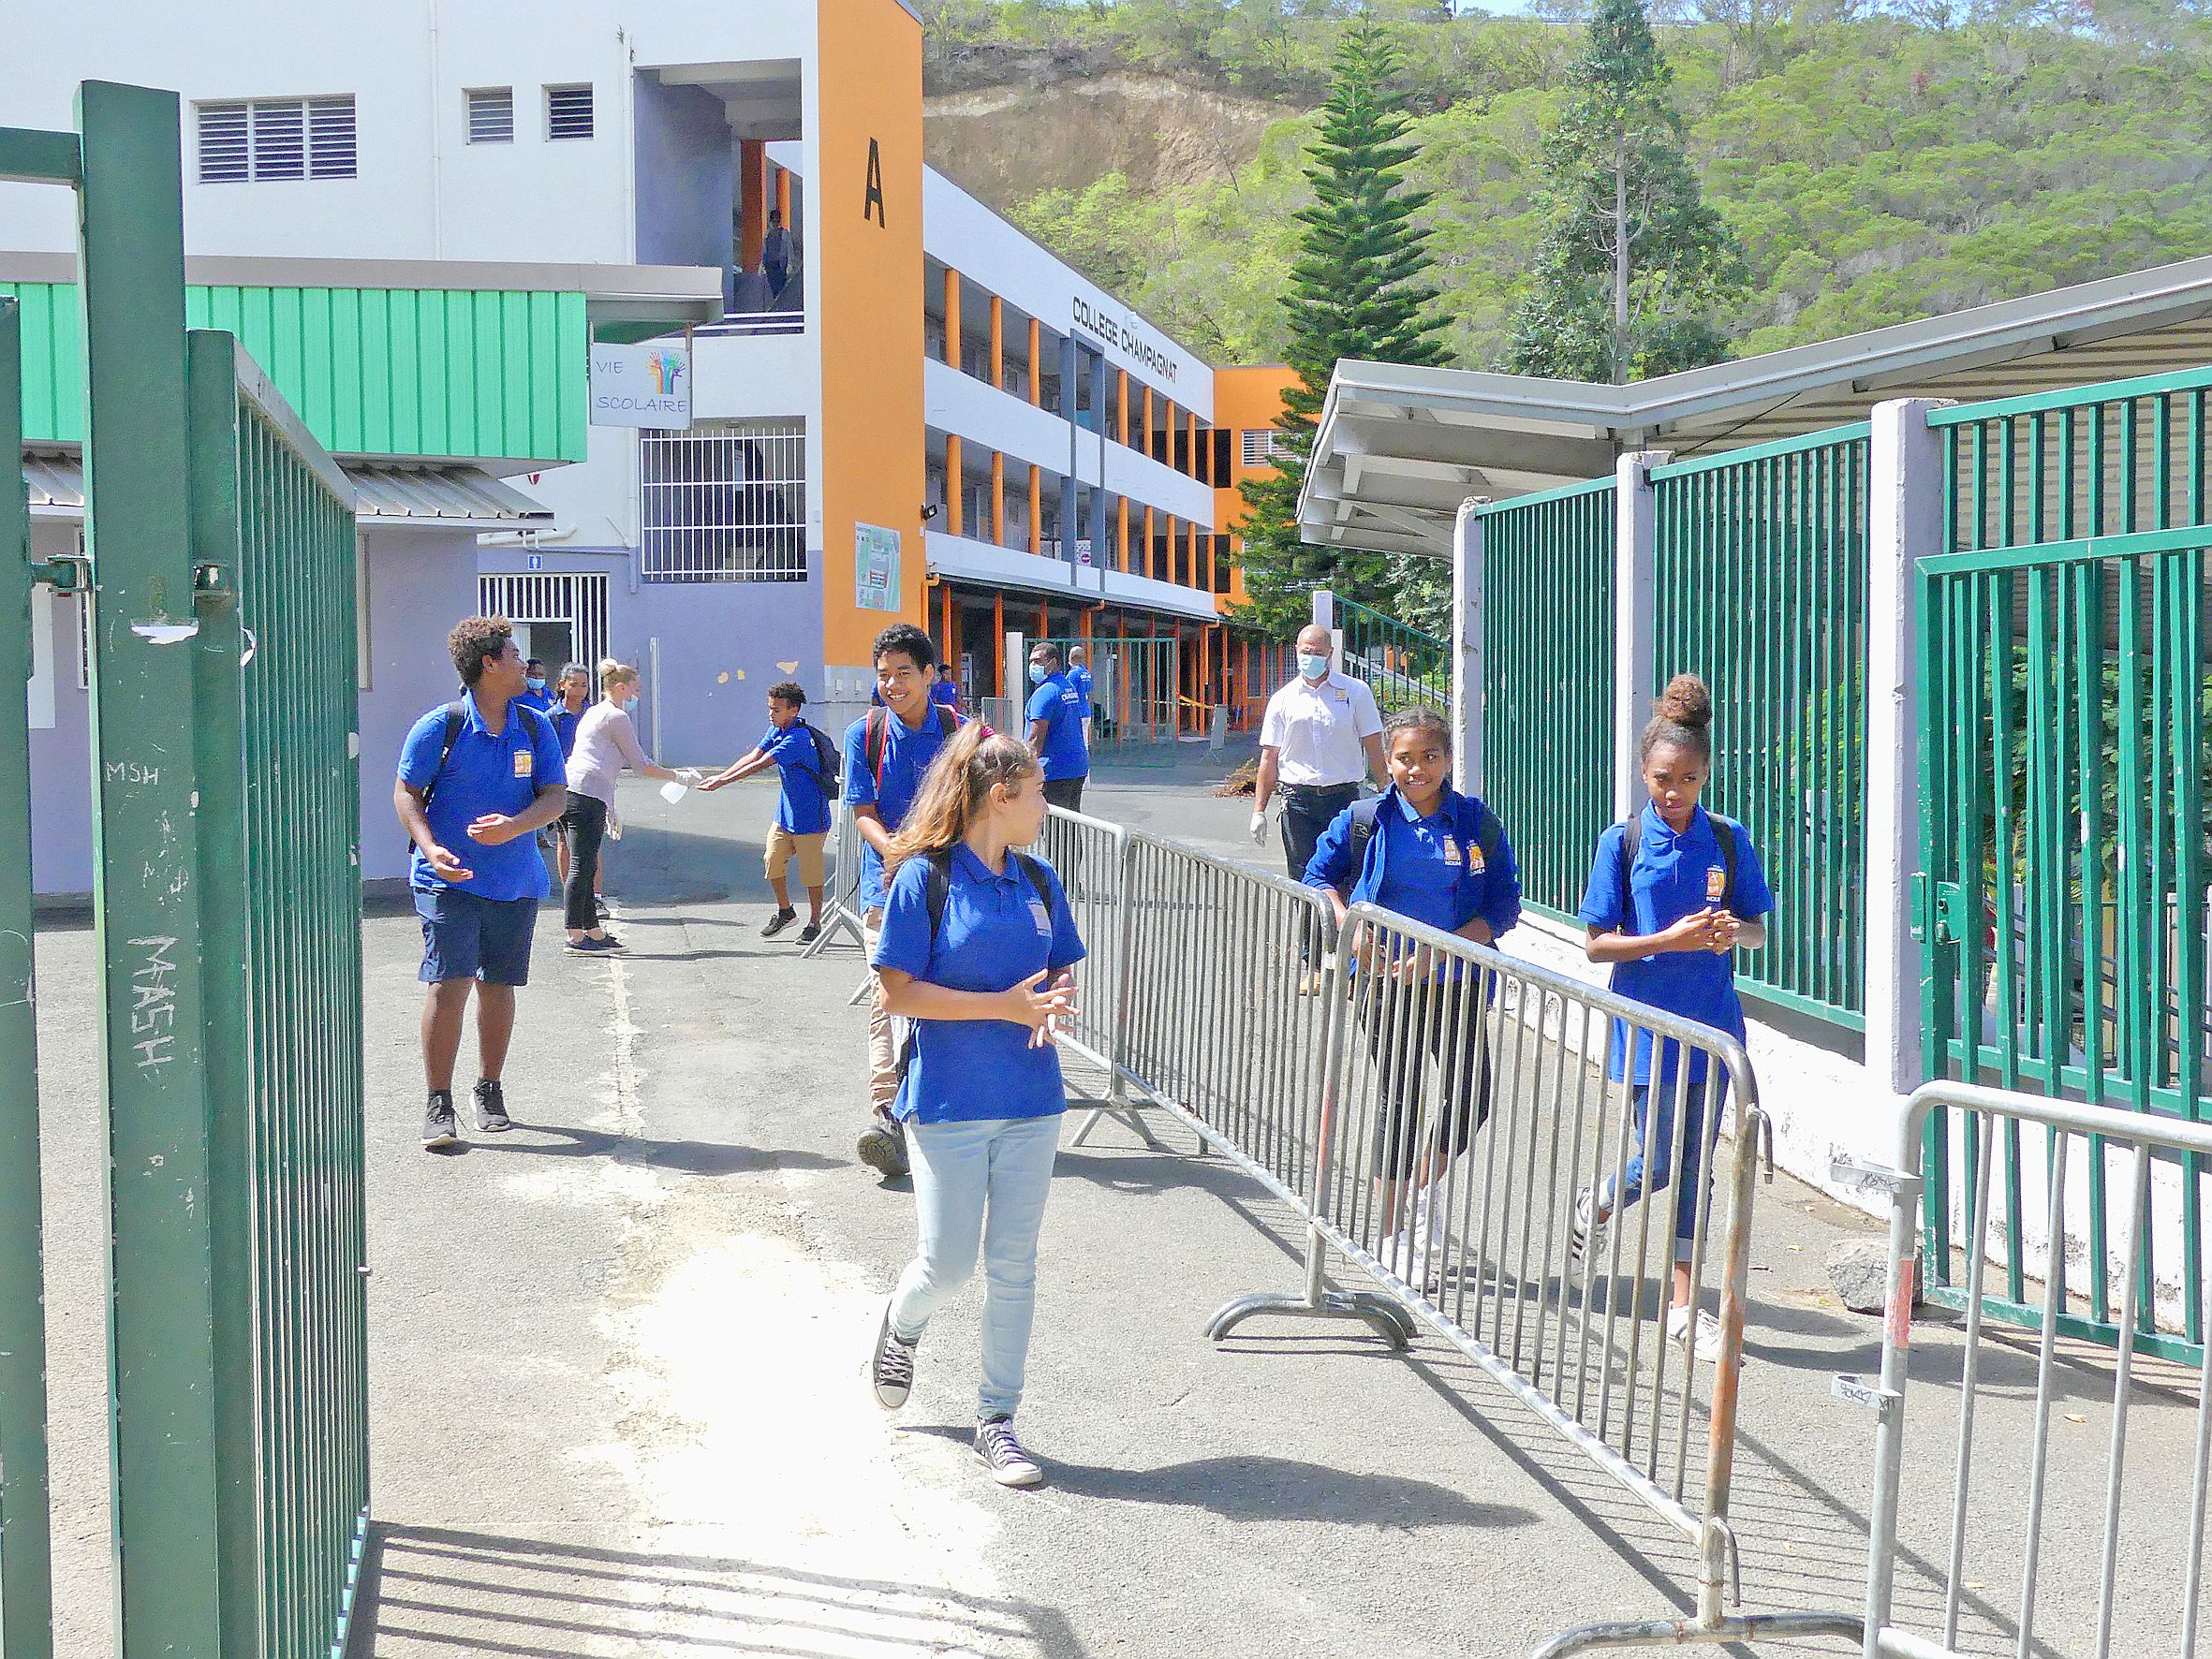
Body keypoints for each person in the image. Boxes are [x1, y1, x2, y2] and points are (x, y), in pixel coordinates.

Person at [864, 723, 1084, 1489]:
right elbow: (899, 991)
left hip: (1032, 1098)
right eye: (1038, 795)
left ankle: (998, 1419)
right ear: (1001, 797)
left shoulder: (1040, 881)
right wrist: (1006, 1007)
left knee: (1014, 1266)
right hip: (950, 1100)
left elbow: (1061, 974)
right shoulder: (923, 879)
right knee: (948, 1262)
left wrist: (1053, 1001)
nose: (1046, 808)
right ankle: (903, 1324)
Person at [1572, 674, 1773, 1366]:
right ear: (1643, 771)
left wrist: (1728, 934)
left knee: (1697, 1167)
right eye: (1662, 777)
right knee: (1656, 1163)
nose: (1674, 791)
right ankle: (1601, 1199)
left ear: (1706, 774)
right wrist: (1668, 939)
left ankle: (1685, 1305)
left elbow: (1757, 930)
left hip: (1715, 1028)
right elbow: (1597, 942)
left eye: (1688, 778)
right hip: (1648, 1027)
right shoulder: (1620, 842)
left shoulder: (1726, 836)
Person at [1305, 704, 1520, 1291]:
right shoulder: (1365, 819)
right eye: (1404, 758)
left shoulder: (1475, 822)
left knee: (1472, 1095)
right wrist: (1354, 929)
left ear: (1448, 760)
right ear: (1387, 761)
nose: (1416, 769)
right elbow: (1317, 879)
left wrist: (1449, 947)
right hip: (1386, 986)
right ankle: (1393, 1231)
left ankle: (1422, 1193)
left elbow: (1503, 906)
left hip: (1456, 985)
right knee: (1399, 1097)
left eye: (1429, 757)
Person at [393, 617, 568, 1152]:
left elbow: (555, 798)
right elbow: (406, 794)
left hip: (514, 880)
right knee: (449, 985)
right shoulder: (439, 727)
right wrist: (429, 846)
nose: (524, 664)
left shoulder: (536, 727)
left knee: (498, 986)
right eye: (514, 654)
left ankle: (488, 1088)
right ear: (489, 663)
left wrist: (515, 827)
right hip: (448, 881)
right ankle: (438, 1102)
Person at [844, 624, 965, 1180]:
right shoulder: (863, 733)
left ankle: (943, 1109)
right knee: (887, 1000)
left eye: (904, 673)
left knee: (945, 995)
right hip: (887, 890)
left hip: (952, 887)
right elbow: (863, 810)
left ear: (931, 675)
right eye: (884, 675)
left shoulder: (960, 733)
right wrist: (895, 852)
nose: (893, 684)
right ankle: (887, 1115)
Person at [1252, 624, 1387, 971]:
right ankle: (1312, 961)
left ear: (1330, 653)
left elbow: (1374, 746)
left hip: (1345, 801)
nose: (1308, 657)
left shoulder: (1355, 693)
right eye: (1303, 651)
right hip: (1298, 803)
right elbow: (1269, 757)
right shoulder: (1283, 699)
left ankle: (1349, 960)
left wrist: (1389, 792)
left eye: (1315, 651)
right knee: (1306, 883)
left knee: (1347, 878)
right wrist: (1259, 810)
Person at [561, 658, 686, 953]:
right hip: (585, 793)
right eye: (635, 689)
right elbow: (640, 764)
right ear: (620, 688)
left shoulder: (594, 712)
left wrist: (610, 807)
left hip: (581, 792)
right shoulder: (616, 717)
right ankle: (575, 934)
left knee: (586, 863)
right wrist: (679, 776)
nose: (637, 696)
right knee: (582, 865)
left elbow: (606, 761)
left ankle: (591, 930)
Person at [700, 681, 833, 944]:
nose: (771, 714)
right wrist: (720, 776)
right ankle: (786, 911)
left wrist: (722, 783)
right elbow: (753, 755)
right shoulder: (777, 730)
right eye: (770, 708)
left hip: (810, 817)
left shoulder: (798, 739)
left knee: (811, 874)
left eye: (776, 709)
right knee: (772, 861)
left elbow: (761, 764)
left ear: (793, 711)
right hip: (785, 815)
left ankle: (815, 922)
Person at [1024, 641, 1089, 812]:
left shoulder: (1045, 693)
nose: (1032, 666)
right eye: (1031, 661)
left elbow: (1035, 739)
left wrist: (1024, 772)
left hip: (1053, 770)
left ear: (1053, 662)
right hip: (1075, 766)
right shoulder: (1067, 687)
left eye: (1038, 661)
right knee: (1069, 825)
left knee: (1055, 830)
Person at [548, 664, 593, 896]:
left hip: (592, 785)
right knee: (564, 838)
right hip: (563, 786)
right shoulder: (551, 718)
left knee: (592, 842)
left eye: (584, 685)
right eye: (574, 684)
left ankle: (595, 896)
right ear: (562, 685)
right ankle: (571, 894)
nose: (579, 690)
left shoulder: (594, 714)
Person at [1066, 644, 1096, 739]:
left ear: (1071, 657)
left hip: (1076, 713)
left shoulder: (1073, 674)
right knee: (1084, 741)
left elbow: (1068, 692)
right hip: (1086, 711)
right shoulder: (1086, 672)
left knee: (1076, 741)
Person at [762, 209, 791, 301]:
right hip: (769, 264)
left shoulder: (785, 233)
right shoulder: (767, 234)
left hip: (780, 264)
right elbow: (764, 250)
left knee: (781, 286)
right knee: (773, 287)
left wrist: (790, 263)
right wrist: (762, 264)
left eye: (777, 221)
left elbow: (789, 249)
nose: (776, 223)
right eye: (774, 221)